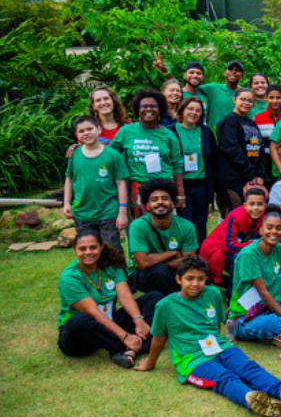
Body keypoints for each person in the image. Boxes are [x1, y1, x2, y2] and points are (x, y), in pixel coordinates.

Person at [135, 254, 281, 417]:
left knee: (248, 367)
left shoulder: (213, 293)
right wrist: (150, 363)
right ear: (178, 279)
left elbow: (217, 324)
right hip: (191, 360)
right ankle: (252, 400)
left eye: (200, 279)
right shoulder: (165, 305)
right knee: (225, 378)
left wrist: (226, 341)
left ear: (206, 279)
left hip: (220, 347)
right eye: (189, 279)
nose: (195, 284)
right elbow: (159, 338)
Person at [57, 231, 162, 367]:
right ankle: (130, 345)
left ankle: (131, 349)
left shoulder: (111, 264)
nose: (88, 252)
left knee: (155, 298)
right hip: (82, 335)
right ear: (74, 250)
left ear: (101, 247)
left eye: (93, 247)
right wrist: (125, 336)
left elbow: (125, 297)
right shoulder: (69, 277)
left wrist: (139, 319)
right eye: (82, 249)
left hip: (110, 323)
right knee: (75, 322)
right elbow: (94, 313)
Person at [227, 209, 281, 347]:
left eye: (278, 228)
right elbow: (263, 293)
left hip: (273, 308)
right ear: (261, 230)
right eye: (269, 227)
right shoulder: (249, 255)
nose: (274, 232)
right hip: (246, 317)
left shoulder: (280, 249)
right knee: (271, 322)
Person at [111, 88, 184, 214]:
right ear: (137, 110)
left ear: (160, 109)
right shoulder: (126, 131)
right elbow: (109, 153)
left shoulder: (169, 135)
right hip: (138, 187)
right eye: (144, 106)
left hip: (165, 187)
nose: (149, 109)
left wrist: (181, 193)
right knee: (140, 227)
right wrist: (81, 147)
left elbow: (177, 165)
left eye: (153, 106)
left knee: (165, 227)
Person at [63, 115, 128, 251]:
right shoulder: (74, 154)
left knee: (112, 249)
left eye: (90, 129)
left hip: (108, 213)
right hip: (82, 213)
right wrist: (66, 203)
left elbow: (121, 184)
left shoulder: (112, 155)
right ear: (77, 135)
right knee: (89, 250)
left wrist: (122, 212)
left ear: (98, 129)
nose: (86, 133)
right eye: (82, 131)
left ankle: (119, 273)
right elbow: (69, 178)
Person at [128, 180, 199, 294]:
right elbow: (143, 263)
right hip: (144, 274)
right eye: (154, 200)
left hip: (175, 271)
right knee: (160, 271)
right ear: (147, 206)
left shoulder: (186, 226)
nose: (160, 202)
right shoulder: (138, 226)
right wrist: (173, 253)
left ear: (172, 203)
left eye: (165, 198)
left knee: (195, 271)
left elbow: (188, 263)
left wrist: (155, 260)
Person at [170, 97, 216, 248]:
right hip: (181, 185)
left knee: (200, 223)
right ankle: (185, 258)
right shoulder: (171, 131)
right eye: (190, 109)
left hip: (202, 184)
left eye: (198, 110)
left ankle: (201, 258)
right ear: (182, 110)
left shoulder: (206, 132)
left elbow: (213, 157)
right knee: (184, 223)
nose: (194, 113)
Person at [199, 186, 267, 285]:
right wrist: (254, 245)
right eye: (252, 204)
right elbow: (228, 246)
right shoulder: (235, 217)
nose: (256, 208)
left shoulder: (264, 218)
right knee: (241, 257)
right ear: (245, 205)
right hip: (215, 252)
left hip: (239, 247)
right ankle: (233, 291)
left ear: (265, 205)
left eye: (259, 204)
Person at [215, 88, 264, 213]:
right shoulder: (229, 121)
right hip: (233, 179)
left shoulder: (251, 123)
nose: (246, 103)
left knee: (251, 215)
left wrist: (259, 175)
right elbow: (231, 149)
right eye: (242, 99)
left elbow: (259, 150)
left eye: (249, 101)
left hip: (250, 179)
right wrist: (250, 174)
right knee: (237, 214)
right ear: (234, 99)